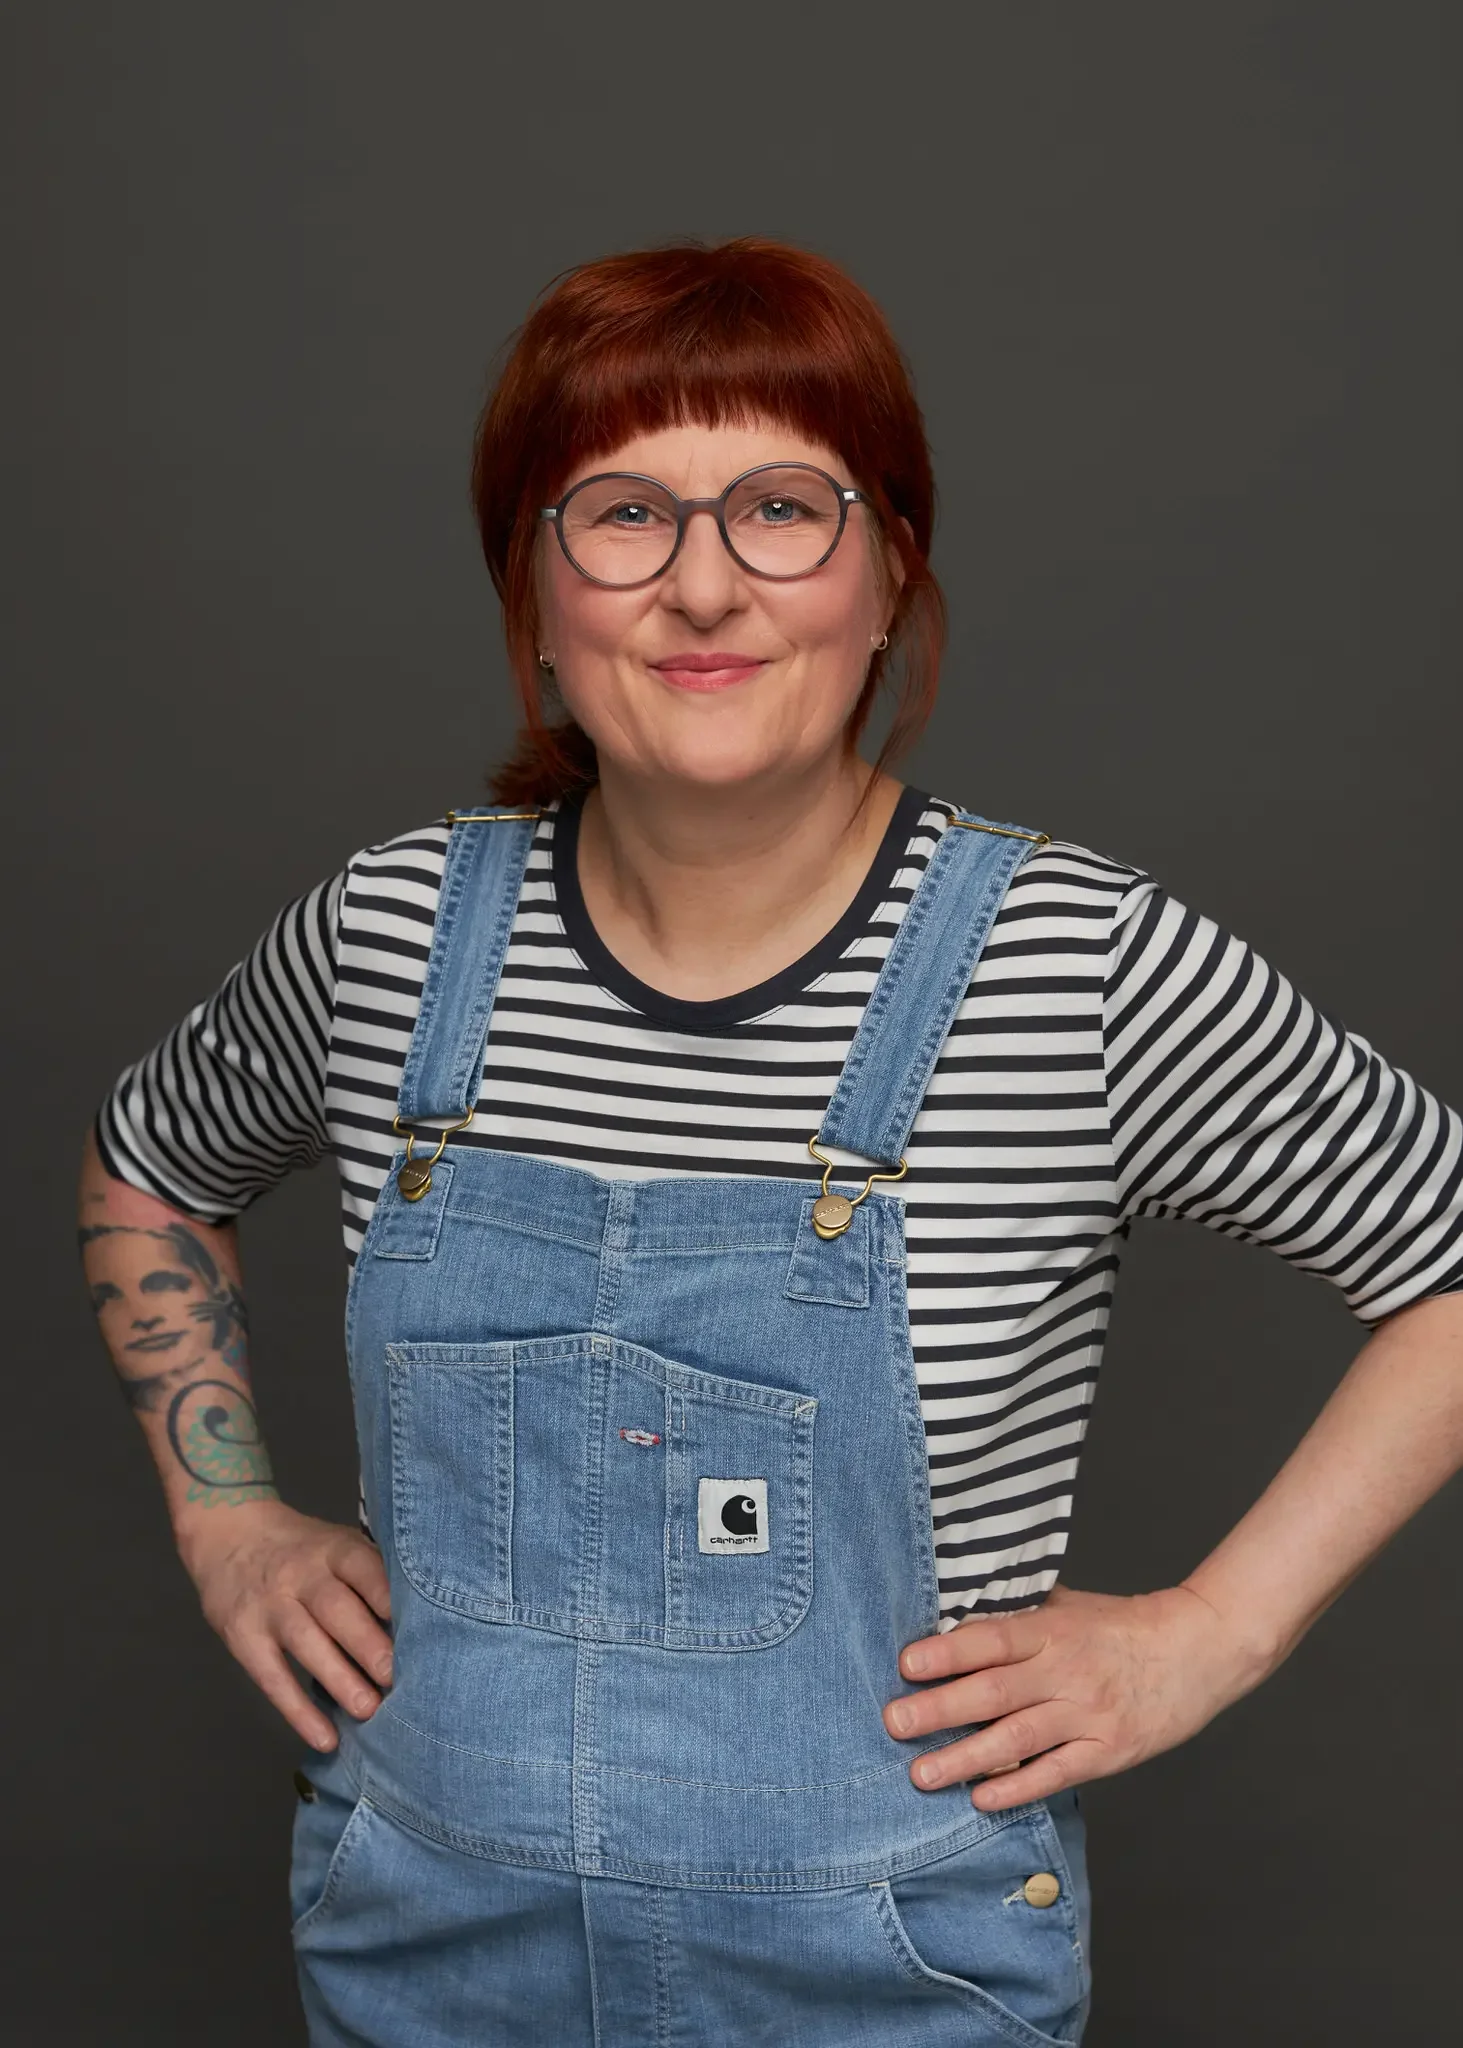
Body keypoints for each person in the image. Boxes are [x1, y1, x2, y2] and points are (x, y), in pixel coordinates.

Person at [80, 238, 1463, 2047]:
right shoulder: (393, 931)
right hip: (422, 1943)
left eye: (785, 510)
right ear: (536, 596)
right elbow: (154, 1159)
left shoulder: (1077, 961)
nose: (706, 587)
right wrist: (228, 1517)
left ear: (889, 573)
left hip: (888, 1976)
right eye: (622, 514)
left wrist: (1218, 1627)